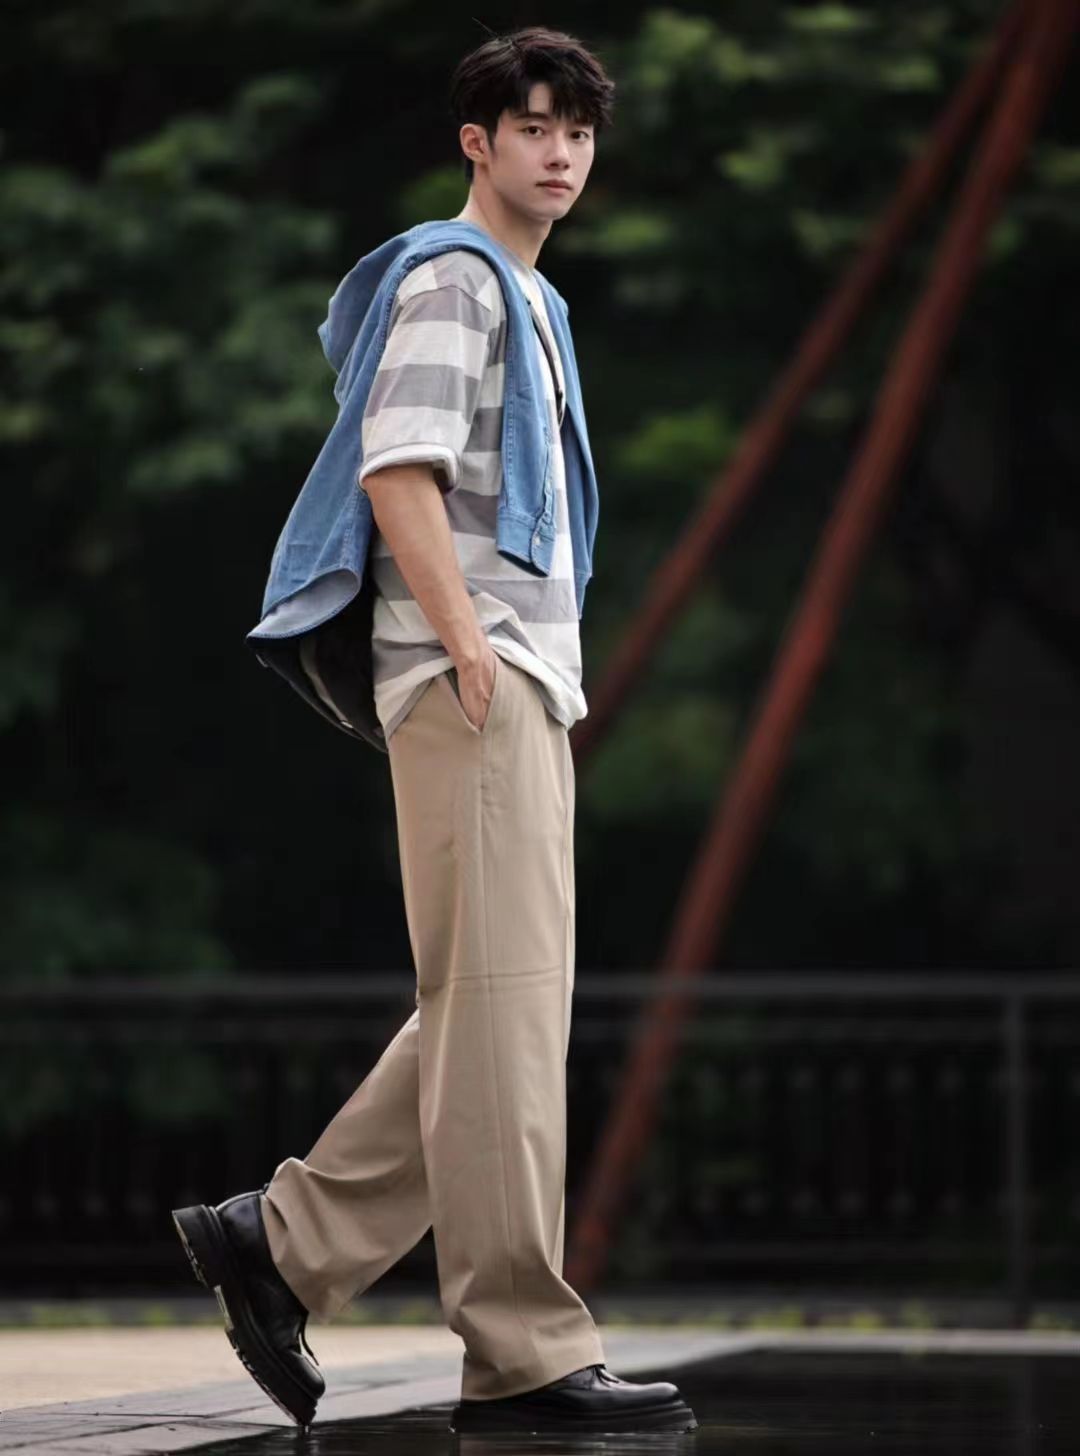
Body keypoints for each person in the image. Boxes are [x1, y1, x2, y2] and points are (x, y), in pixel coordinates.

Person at [172, 25, 697, 1437]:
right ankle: (520, 1351)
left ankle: (279, 1245)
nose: (561, 153)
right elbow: (396, 471)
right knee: (503, 1017)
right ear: (478, 142)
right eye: (534, 127)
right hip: (479, 678)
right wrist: (468, 648)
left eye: (578, 131)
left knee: (493, 1010)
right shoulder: (458, 281)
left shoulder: (531, 298)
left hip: (519, 681)